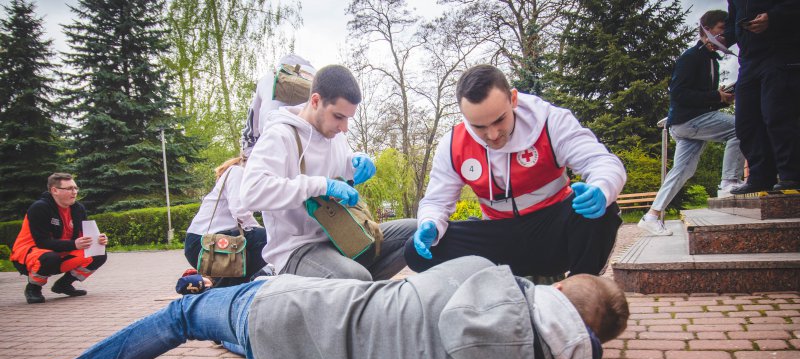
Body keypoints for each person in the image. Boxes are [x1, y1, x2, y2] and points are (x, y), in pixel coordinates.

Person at [0, 256, 629, 359]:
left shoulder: (479, 277)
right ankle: (212, 302)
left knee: (179, 318)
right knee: (226, 315)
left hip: (286, 312)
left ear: (557, 290)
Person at [404, 65, 626, 280]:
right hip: (499, 237)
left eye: (499, 120)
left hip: (554, 234)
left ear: (513, 99)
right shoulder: (453, 144)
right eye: (479, 127)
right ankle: (475, 294)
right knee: (416, 252)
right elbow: (436, 202)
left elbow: (602, 163)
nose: (492, 134)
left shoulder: (551, 121)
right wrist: (430, 223)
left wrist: (601, 188)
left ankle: (581, 292)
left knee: (601, 211)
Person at [241, 64, 416, 281]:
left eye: (348, 118)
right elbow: (251, 193)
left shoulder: (336, 135)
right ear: (315, 101)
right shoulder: (280, 135)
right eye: (339, 116)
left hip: (342, 237)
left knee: (416, 232)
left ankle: (353, 292)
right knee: (354, 277)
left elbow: (341, 168)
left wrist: (356, 163)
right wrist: (322, 184)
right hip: (297, 249)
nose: (345, 127)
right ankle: (349, 289)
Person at [638, 10, 745, 236]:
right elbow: (679, 94)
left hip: (689, 123)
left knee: (682, 171)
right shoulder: (692, 57)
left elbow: (702, 98)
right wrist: (716, 97)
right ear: (706, 29)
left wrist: (722, 98)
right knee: (741, 127)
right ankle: (730, 181)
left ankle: (652, 215)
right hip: (688, 121)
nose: (725, 33)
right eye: (721, 28)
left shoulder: (710, 60)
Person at [724, 1, 800, 194]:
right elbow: (734, 19)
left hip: (781, 53)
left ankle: (791, 175)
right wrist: (723, 38)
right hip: (748, 60)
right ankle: (760, 176)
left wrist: (773, 18)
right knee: (746, 122)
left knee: (778, 115)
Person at [10, 173, 108, 304]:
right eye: (69, 189)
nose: (74, 192)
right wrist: (74, 244)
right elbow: (42, 242)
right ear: (54, 190)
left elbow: (84, 236)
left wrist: (98, 240)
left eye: (75, 188)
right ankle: (33, 288)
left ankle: (63, 284)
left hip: (60, 252)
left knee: (99, 253)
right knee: (50, 257)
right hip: (30, 254)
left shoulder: (78, 208)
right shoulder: (39, 207)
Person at [184, 157, 268, 286]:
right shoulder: (237, 171)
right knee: (267, 238)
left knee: (258, 244)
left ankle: (230, 288)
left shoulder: (237, 176)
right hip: (203, 242)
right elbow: (239, 211)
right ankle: (230, 288)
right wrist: (262, 230)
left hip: (200, 242)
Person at [240, 54, 317, 159]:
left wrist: (250, 158)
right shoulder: (316, 80)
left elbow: (251, 128)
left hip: (271, 144)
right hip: (311, 149)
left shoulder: (267, 79)